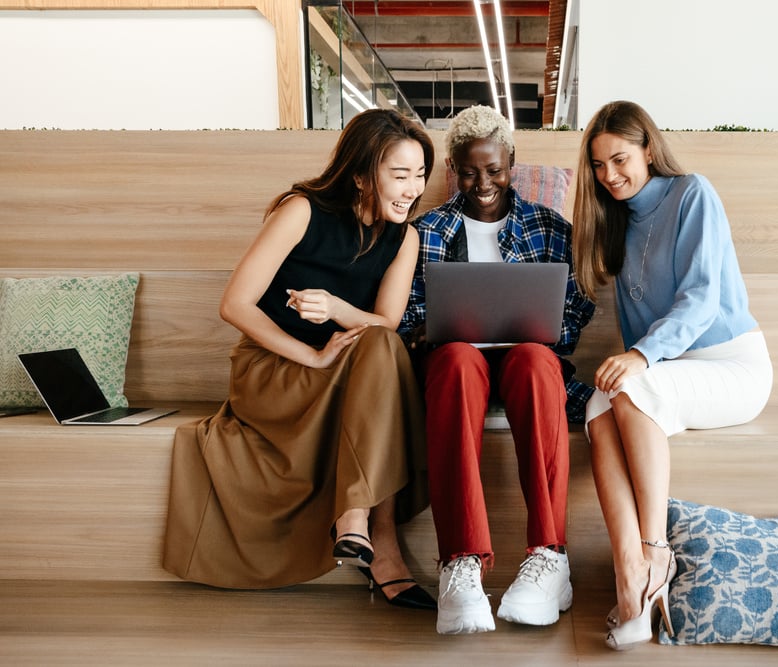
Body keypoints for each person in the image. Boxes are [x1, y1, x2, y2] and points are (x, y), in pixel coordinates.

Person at [162, 109, 436, 611]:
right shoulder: (301, 211)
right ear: (360, 174)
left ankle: (358, 520)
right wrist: (311, 355)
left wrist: (335, 310)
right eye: (399, 175)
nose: (412, 190)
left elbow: (385, 322)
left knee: (383, 346)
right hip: (274, 367)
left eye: (419, 176)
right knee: (382, 356)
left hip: (347, 369)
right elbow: (234, 304)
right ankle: (380, 540)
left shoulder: (406, 238)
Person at [573, 100, 773, 650]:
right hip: (675, 372)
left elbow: (703, 299)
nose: (609, 176)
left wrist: (640, 356)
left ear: (647, 150)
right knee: (596, 405)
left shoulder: (692, 193)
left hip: (733, 364)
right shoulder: (617, 220)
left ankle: (656, 552)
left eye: (620, 159)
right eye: (598, 165)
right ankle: (628, 571)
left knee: (631, 387)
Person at [398, 105, 595, 634]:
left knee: (536, 360)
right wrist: (425, 327)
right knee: (458, 359)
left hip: (528, 358)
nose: (481, 182)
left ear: (512, 161)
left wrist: (548, 328)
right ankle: (461, 563)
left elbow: (575, 306)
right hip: (457, 361)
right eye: (467, 170)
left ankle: (551, 557)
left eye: (494, 169)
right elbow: (408, 309)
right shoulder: (428, 231)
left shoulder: (550, 226)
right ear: (452, 169)